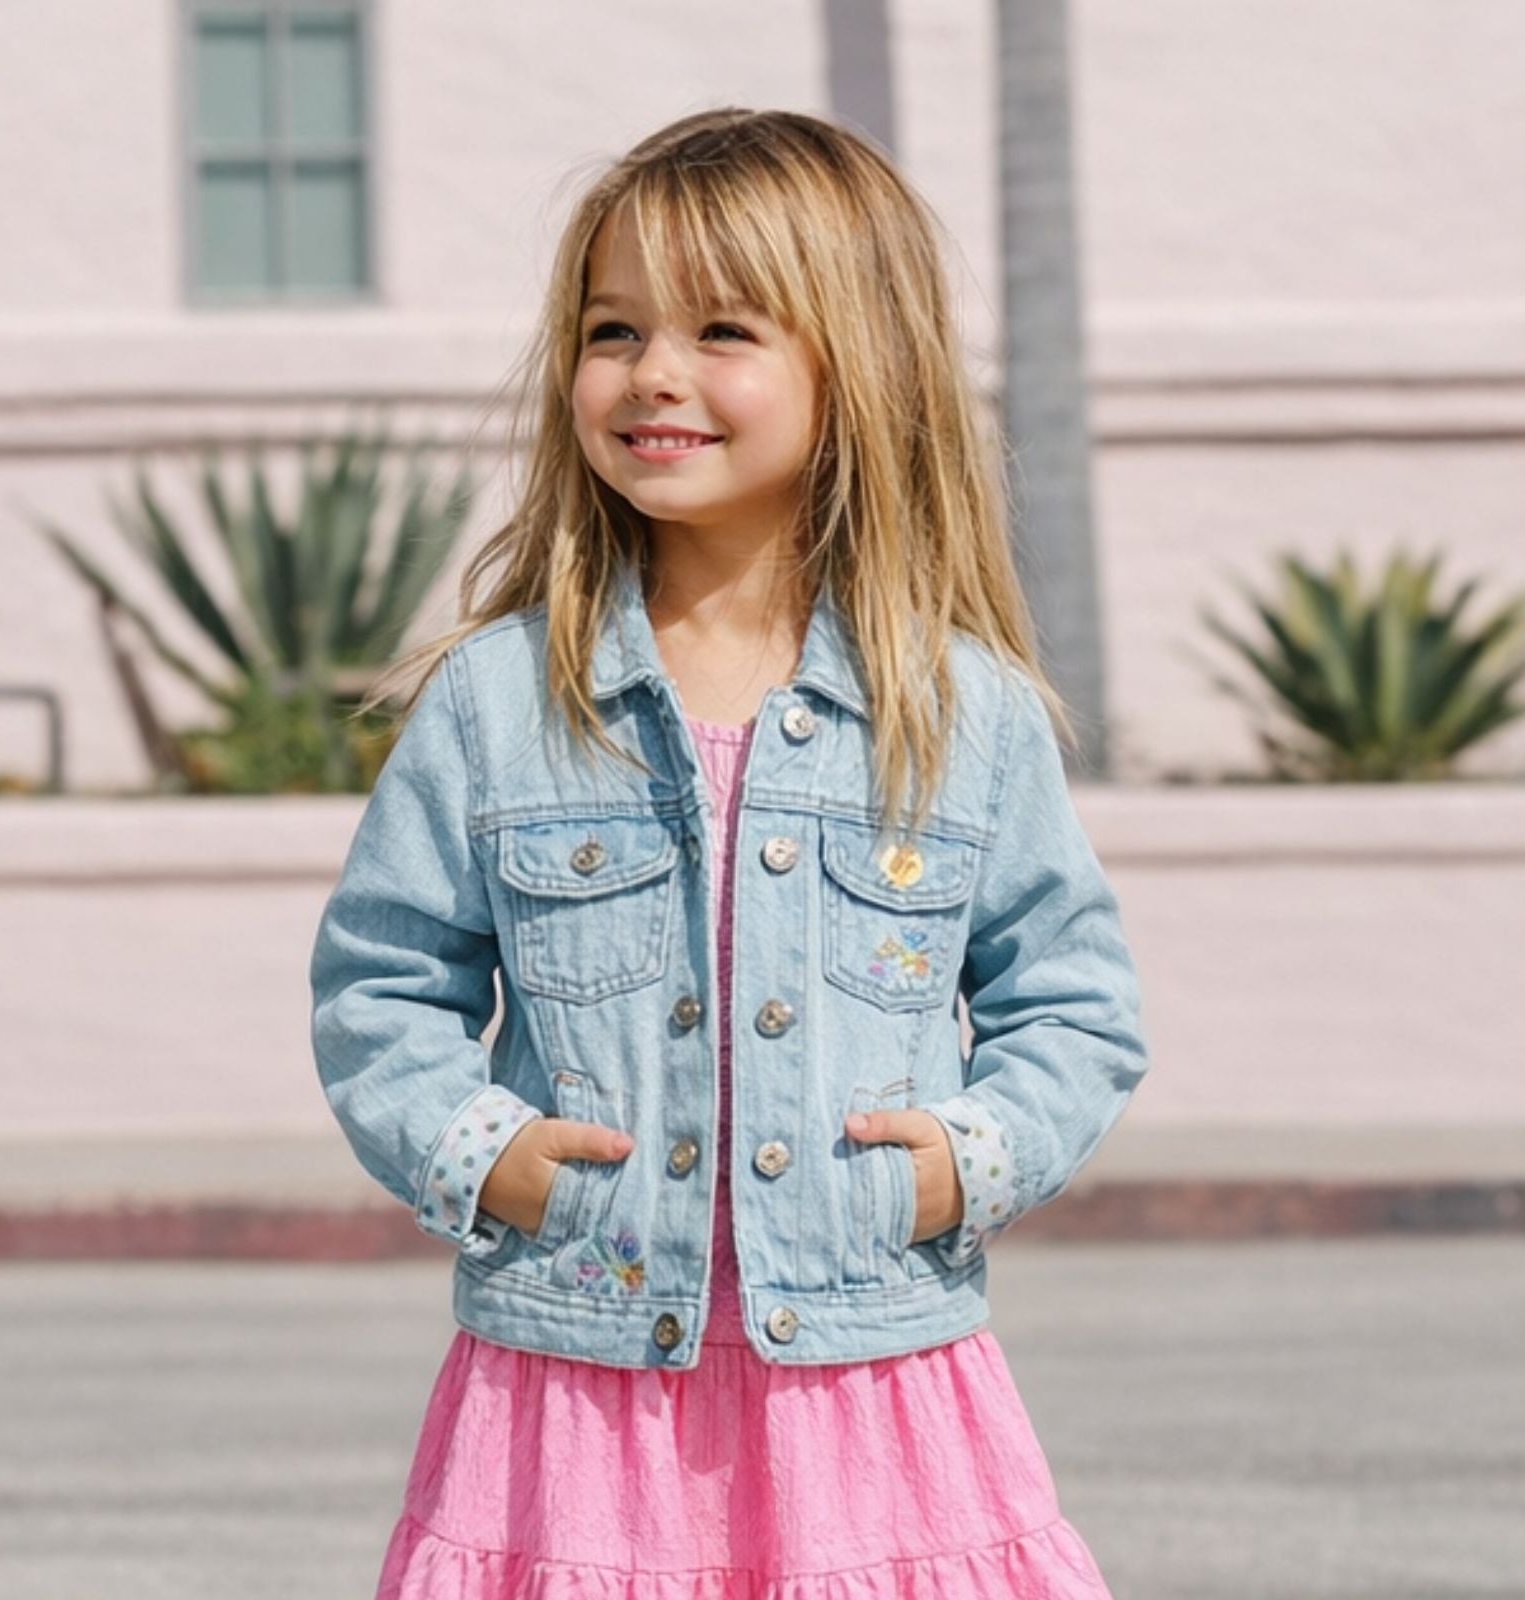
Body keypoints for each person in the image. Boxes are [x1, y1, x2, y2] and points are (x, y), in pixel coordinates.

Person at [310, 106, 1149, 1598]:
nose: (655, 376)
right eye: (616, 327)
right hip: (570, 1389)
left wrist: (965, 1162)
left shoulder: (962, 715)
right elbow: (381, 986)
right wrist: (478, 1152)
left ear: (857, 364)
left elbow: (1073, 1007)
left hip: (875, 1382)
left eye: (723, 329)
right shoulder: (500, 705)